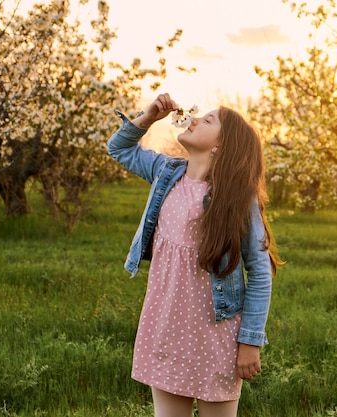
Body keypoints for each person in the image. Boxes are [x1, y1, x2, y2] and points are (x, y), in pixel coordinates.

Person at [107, 93, 282, 417]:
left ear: (220, 146)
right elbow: (118, 148)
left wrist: (250, 341)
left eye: (209, 120)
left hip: (217, 337)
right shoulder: (166, 173)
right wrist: (147, 119)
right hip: (166, 328)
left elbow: (259, 271)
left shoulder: (238, 201)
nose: (195, 118)